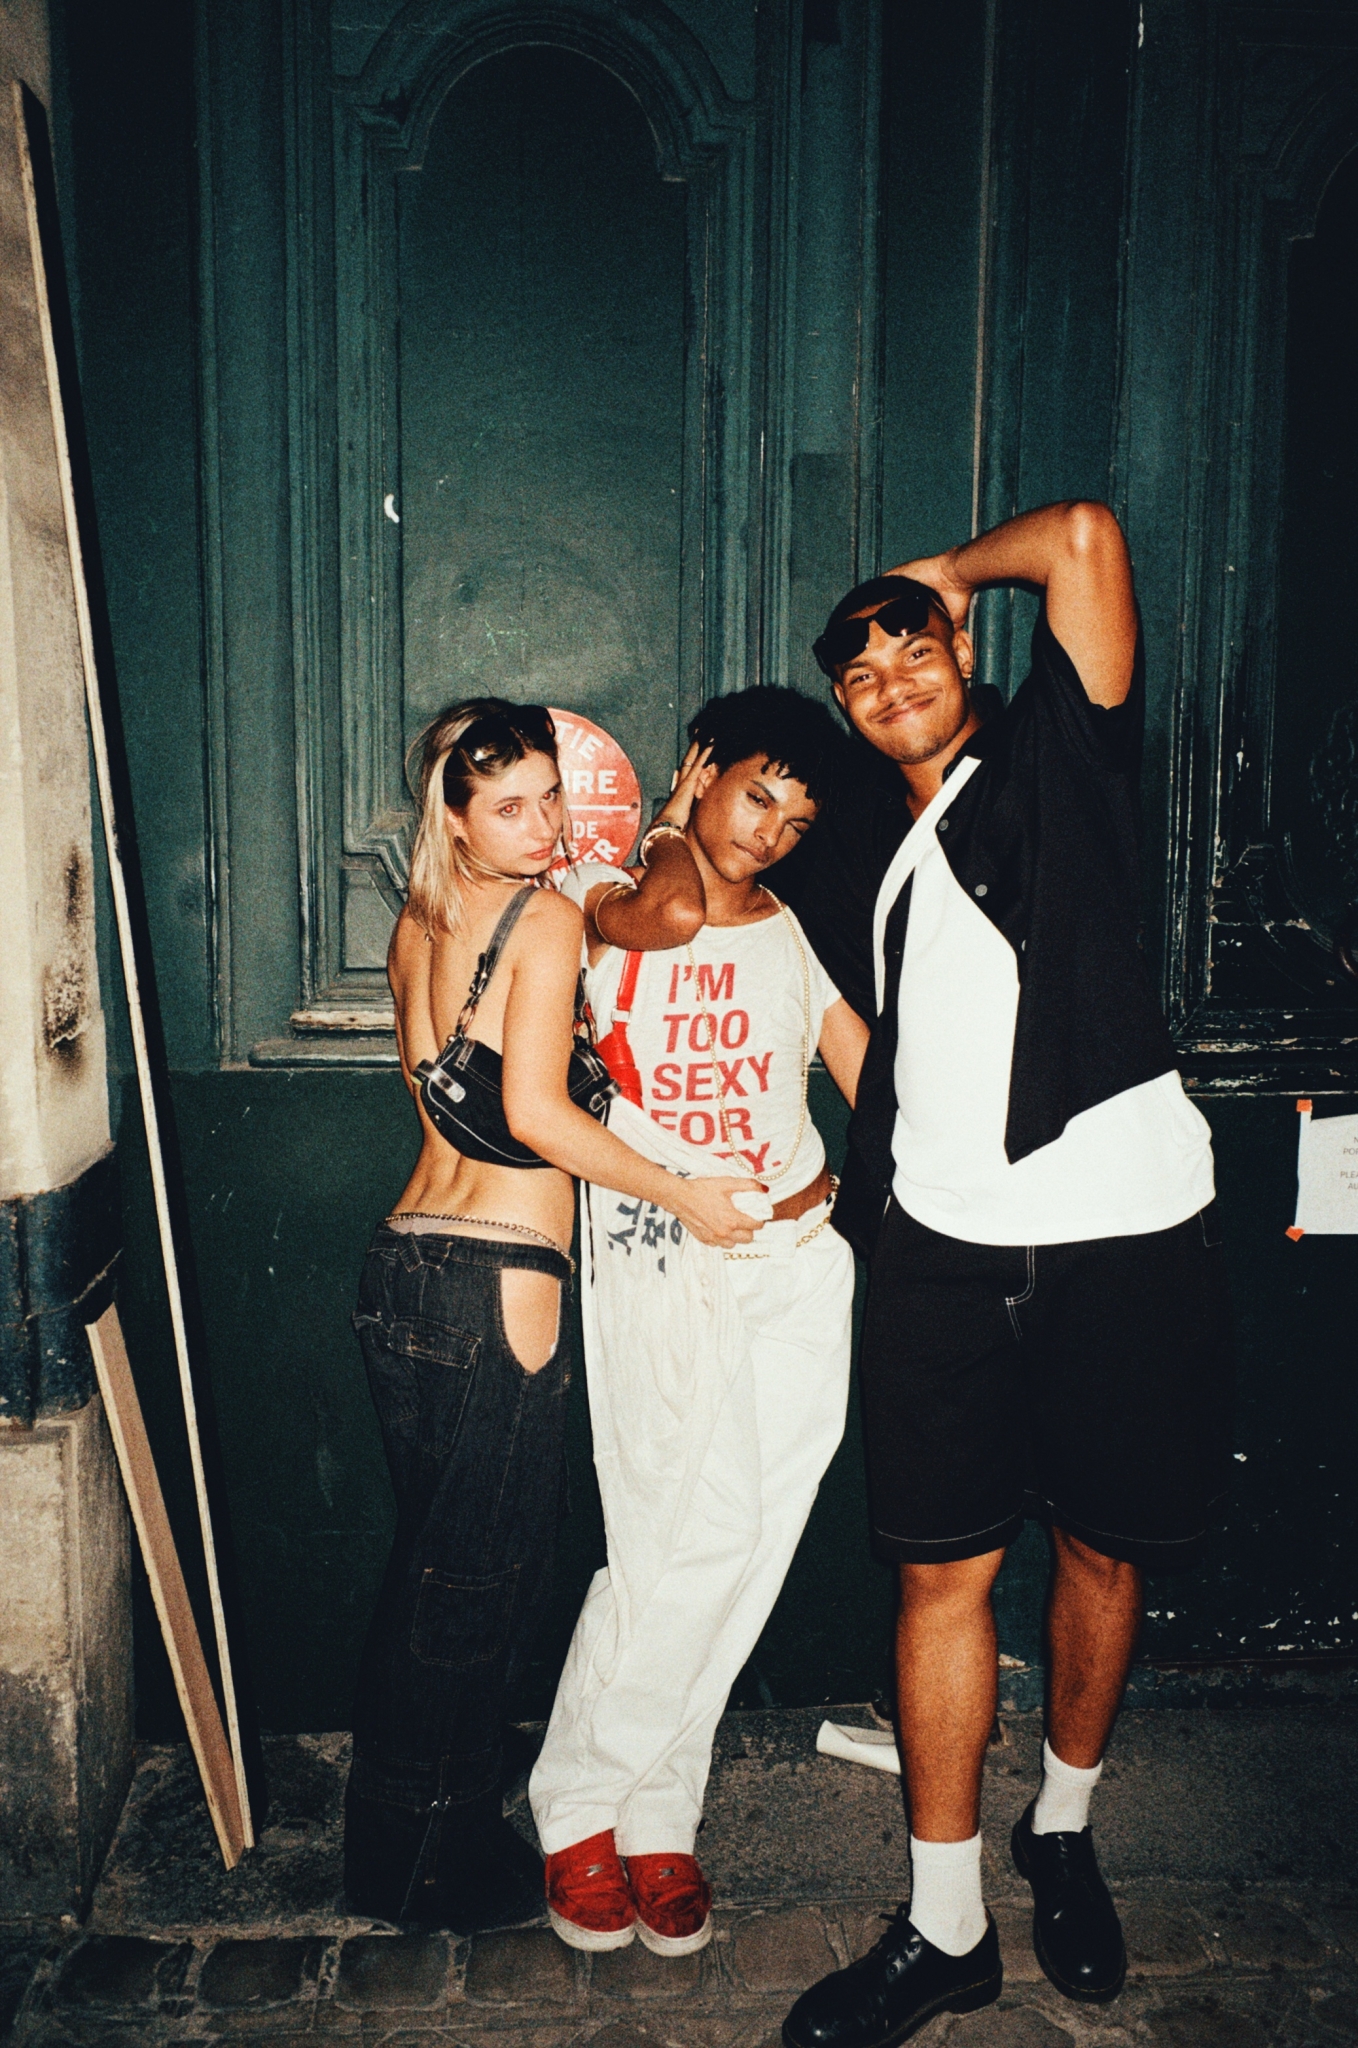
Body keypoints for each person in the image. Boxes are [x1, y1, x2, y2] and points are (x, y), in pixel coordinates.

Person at [780, 505, 1233, 2046]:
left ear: (964, 650)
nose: (888, 677)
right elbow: (718, 855)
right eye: (858, 670)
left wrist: (946, 571)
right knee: (938, 1572)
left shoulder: (1061, 755)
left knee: (1101, 1551)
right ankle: (945, 1925)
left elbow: (1090, 539)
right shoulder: (858, 838)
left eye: (911, 646)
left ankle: (1064, 1827)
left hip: (1124, 1227)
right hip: (941, 1247)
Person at [345, 698, 764, 1937]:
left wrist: (659, 825)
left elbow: (456, 1091)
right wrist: (682, 1189)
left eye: (549, 798)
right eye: (509, 806)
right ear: (455, 818)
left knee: (428, 1576)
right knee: (478, 1585)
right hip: (499, 1279)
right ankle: (431, 1865)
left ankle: (394, 1843)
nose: (542, 827)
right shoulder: (542, 918)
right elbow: (533, 1113)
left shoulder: (417, 923)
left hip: (402, 1264)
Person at [528, 689, 870, 1958]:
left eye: (796, 818)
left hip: (796, 1259)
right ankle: (579, 1801)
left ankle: (658, 1811)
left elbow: (866, 1076)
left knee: (750, 1549)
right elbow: (669, 913)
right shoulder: (605, 898)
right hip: (664, 1251)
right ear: (701, 768)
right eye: (753, 792)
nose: (768, 831)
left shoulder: (792, 929)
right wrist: (671, 824)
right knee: (674, 1535)